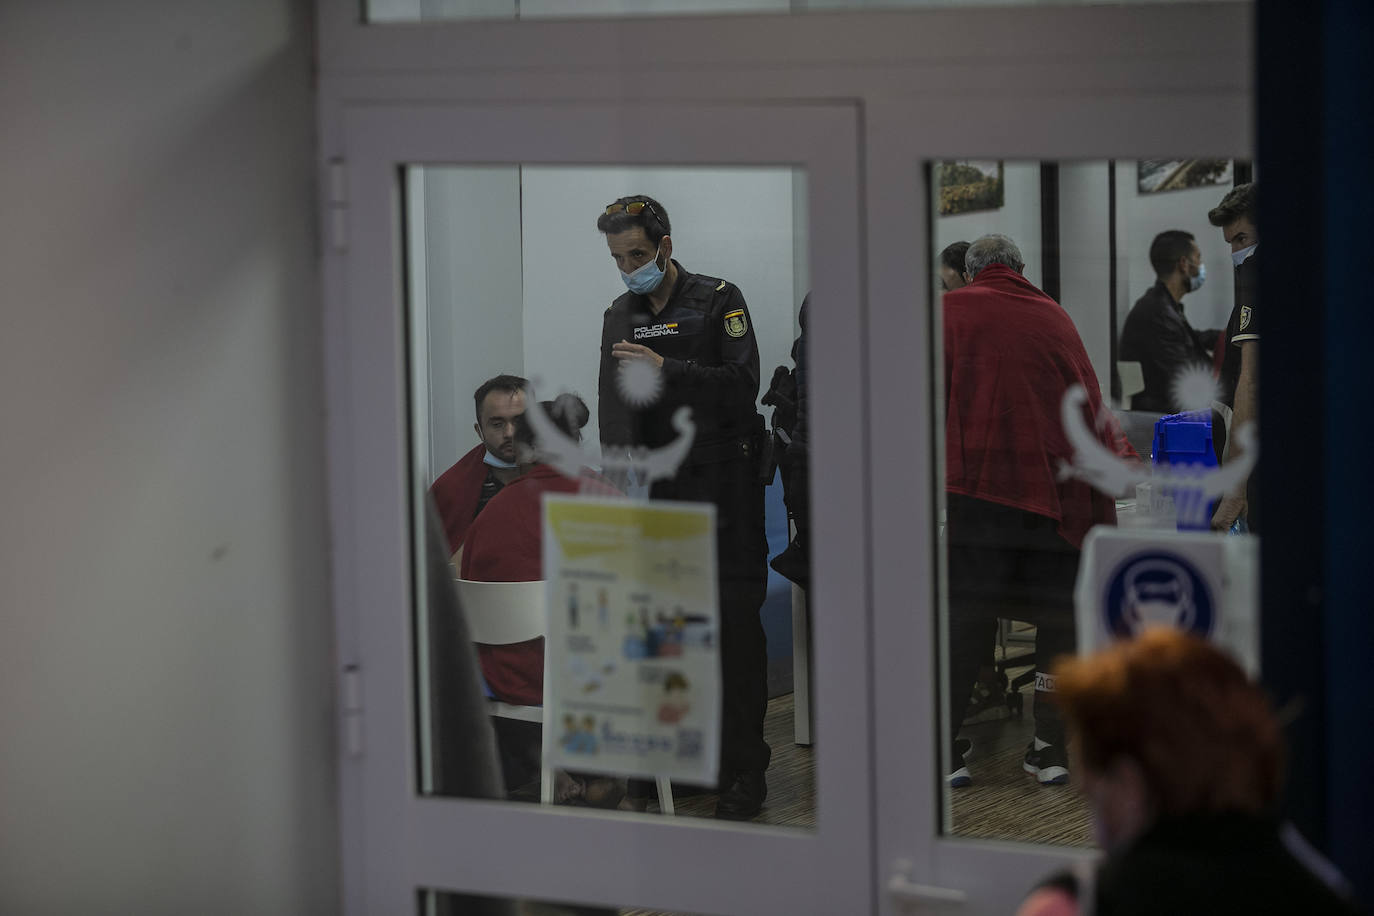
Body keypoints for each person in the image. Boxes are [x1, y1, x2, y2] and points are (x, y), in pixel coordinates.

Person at [595, 195, 771, 820]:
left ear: (665, 246)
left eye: (637, 254)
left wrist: (666, 369)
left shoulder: (720, 298)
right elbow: (615, 405)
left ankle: (747, 770)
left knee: (735, 629)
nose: (628, 267)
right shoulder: (621, 311)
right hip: (663, 491)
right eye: (617, 257)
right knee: (680, 635)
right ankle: (699, 766)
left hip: (727, 486)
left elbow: (741, 386)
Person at [943, 234, 1137, 788]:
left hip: (977, 496)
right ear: (1021, 269)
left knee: (965, 621)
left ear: (968, 273)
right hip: (1056, 503)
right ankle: (1049, 750)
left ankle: (945, 755)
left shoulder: (947, 312)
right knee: (1058, 624)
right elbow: (1092, 403)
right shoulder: (1055, 315)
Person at [1016, 629, 1359, 916]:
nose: (1082, 789)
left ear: (1128, 783)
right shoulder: (1327, 894)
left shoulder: (1078, 903)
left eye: (1091, 788)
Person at [460, 392, 622, 803]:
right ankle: (609, 775)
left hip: (508, 683)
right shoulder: (604, 499)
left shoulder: (490, 514)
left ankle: (556, 769)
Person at [1118, 230, 1222, 412]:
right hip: (1163, 423)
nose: (1201, 265)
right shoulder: (1157, 313)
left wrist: (1224, 337)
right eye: (1198, 258)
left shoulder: (1163, 307)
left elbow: (1187, 339)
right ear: (1184, 264)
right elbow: (1186, 378)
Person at [429, 374, 529, 562]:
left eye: (519, 421)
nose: (509, 433)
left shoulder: (566, 481)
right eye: (497, 424)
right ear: (479, 431)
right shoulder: (449, 490)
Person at [1208, 183, 1260, 532]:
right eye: (1230, 244)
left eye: (1242, 238)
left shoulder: (1257, 273)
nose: (1236, 252)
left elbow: (1252, 380)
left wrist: (1237, 486)